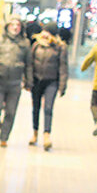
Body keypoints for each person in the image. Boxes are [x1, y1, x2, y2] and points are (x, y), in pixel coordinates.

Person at [0, 16, 31, 147]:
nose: (15, 27)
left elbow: (29, 64)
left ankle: (4, 137)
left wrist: (29, 81)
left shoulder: (25, 43)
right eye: (12, 25)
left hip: (15, 83)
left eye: (18, 25)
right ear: (7, 26)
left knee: (11, 111)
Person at [28, 22, 68, 150]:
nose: (44, 34)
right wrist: (28, 80)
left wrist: (62, 85)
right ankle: (34, 133)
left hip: (51, 81)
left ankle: (46, 135)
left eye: (48, 32)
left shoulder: (60, 47)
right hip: (36, 80)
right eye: (44, 31)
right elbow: (30, 65)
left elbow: (63, 67)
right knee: (36, 108)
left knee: (48, 108)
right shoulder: (36, 45)